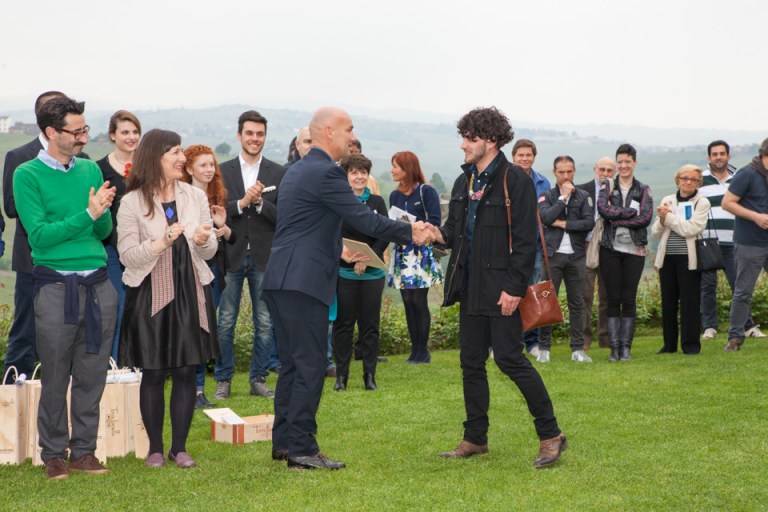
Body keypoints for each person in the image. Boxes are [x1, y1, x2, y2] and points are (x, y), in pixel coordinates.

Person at [262, 107, 433, 470]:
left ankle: (284, 443)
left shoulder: (296, 170)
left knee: (292, 364)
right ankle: (303, 450)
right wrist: (410, 231)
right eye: (348, 130)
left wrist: (335, 245)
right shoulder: (326, 171)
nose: (351, 138)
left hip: (281, 278)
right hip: (304, 281)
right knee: (309, 366)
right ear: (329, 132)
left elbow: (305, 223)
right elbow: (362, 217)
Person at [432, 107, 566, 468]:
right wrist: (433, 235)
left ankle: (551, 434)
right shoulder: (465, 182)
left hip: (503, 290)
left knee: (510, 360)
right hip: (469, 289)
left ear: (490, 140)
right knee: (470, 363)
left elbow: (525, 242)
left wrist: (514, 289)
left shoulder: (515, 180)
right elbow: (453, 233)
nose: (462, 145)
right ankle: (475, 439)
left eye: (469, 138)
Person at [14, 96, 117, 480]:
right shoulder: (27, 175)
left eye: (85, 129)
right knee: (55, 373)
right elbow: (40, 236)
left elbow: (103, 234)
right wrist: (88, 214)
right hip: (56, 288)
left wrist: (103, 213)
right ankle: (54, 453)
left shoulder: (90, 170)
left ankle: (84, 451)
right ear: (51, 132)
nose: (83, 137)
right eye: (76, 131)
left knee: (93, 372)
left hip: (99, 285)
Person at [117, 129, 219, 468]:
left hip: (191, 288)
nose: (181, 158)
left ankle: (180, 447)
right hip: (149, 292)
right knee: (155, 371)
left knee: (188, 369)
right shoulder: (132, 202)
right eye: (174, 152)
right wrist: (160, 243)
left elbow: (209, 250)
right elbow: (128, 255)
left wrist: (204, 239)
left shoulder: (194, 197)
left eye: (181, 151)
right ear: (155, 157)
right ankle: (156, 449)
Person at [214, 110, 286, 399]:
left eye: (260, 134)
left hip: (264, 257)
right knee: (225, 321)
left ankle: (258, 379)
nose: (255, 139)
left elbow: (283, 217)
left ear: (265, 137)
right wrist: (242, 203)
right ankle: (223, 379)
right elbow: (215, 210)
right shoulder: (222, 171)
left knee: (265, 322)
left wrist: (259, 206)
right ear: (239, 135)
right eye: (250, 133)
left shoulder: (279, 173)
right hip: (230, 254)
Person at [2, 91, 72, 380]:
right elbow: (10, 206)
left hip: (69, 257)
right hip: (32, 259)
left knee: (65, 330)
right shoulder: (19, 156)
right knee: (26, 329)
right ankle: (11, 393)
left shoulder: (79, 157)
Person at [183, 144, 234, 409]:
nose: (209, 169)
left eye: (211, 165)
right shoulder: (180, 197)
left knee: (205, 330)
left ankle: (199, 388)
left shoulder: (217, 196)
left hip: (212, 270)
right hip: (185, 271)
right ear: (189, 168)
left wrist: (221, 228)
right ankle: (189, 387)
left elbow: (231, 237)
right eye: (203, 165)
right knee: (190, 329)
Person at [332, 154, 389, 391]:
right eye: (354, 172)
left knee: (370, 326)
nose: (359, 176)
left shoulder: (377, 202)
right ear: (346, 176)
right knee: (344, 325)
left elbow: (384, 232)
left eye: (363, 172)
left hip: (372, 274)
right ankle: (341, 377)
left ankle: (369, 376)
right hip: (345, 272)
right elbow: (332, 233)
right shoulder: (339, 202)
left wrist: (367, 258)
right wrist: (350, 256)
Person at [699, 140, 765, 340]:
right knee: (707, 286)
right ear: (709, 157)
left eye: (722, 153)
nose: (718, 157)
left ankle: (748, 326)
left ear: (729, 156)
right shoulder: (700, 180)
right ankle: (709, 327)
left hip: (733, 239)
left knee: (739, 285)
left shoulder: (740, 177)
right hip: (707, 239)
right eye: (714, 154)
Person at [598, 143, 653, 362]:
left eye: (627, 162)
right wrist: (629, 213)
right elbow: (603, 210)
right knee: (612, 298)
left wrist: (617, 217)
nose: (623, 166)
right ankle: (614, 348)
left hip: (635, 251)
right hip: (610, 249)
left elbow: (646, 217)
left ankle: (626, 348)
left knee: (628, 299)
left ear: (634, 163)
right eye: (619, 162)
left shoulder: (644, 189)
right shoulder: (607, 187)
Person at [537, 156, 595, 363]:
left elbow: (588, 223)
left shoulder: (584, 196)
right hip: (552, 257)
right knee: (546, 301)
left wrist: (563, 224)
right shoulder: (547, 195)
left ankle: (577, 349)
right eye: (561, 172)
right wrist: (562, 199)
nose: (565, 176)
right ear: (554, 173)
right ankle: (544, 348)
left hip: (576, 257)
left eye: (569, 171)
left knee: (577, 303)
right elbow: (545, 218)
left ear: (574, 171)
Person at [387, 151, 444, 364]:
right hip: (402, 251)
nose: (392, 170)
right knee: (407, 301)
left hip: (421, 253)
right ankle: (414, 349)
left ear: (407, 168)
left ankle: (423, 350)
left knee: (419, 301)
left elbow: (436, 221)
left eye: (396, 166)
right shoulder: (394, 195)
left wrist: (418, 227)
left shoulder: (426, 191)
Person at [96, 110, 142, 361]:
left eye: (135, 132)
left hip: (145, 250)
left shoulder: (148, 167)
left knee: (142, 315)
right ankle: (115, 371)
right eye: (125, 132)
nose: (131, 137)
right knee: (118, 313)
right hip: (112, 251)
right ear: (113, 135)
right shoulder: (98, 169)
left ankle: (140, 374)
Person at [651, 165, 710, 354]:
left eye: (693, 179)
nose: (688, 182)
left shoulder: (702, 202)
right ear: (678, 180)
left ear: (698, 182)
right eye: (685, 178)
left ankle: (690, 345)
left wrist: (667, 218)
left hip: (689, 259)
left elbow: (691, 229)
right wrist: (661, 219)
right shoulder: (668, 200)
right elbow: (655, 232)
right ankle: (669, 345)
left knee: (689, 302)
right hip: (668, 258)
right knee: (668, 302)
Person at [721, 138, 768, 352]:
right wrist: (756, 217)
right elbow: (727, 203)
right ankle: (735, 338)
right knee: (743, 292)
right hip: (750, 243)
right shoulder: (747, 174)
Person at [511, 139, 550, 357]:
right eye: (521, 155)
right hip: (509, 246)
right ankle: (507, 342)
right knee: (509, 292)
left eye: (528, 155)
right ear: (513, 156)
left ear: (534, 157)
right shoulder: (505, 179)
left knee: (532, 293)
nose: (525, 158)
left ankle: (532, 343)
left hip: (534, 246)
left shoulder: (543, 183)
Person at [577, 157, 615, 349]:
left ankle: (606, 339)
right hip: (586, 245)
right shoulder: (581, 190)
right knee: (585, 294)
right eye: (602, 169)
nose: (605, 174)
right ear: (594, 169)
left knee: (607, 295)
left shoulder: (617, 192)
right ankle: (583, 339)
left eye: (610, 170)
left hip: (609, 247)